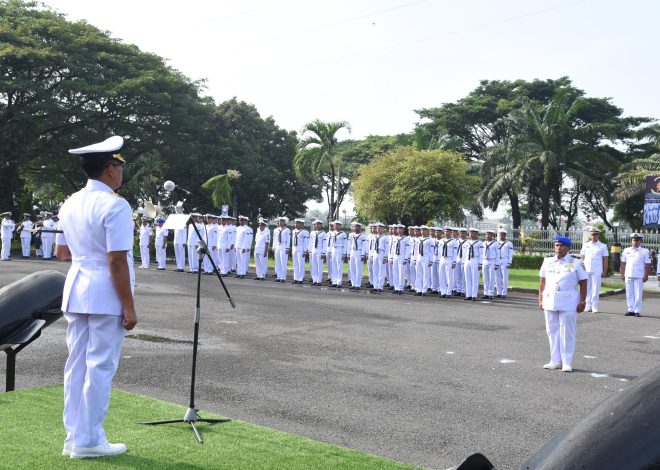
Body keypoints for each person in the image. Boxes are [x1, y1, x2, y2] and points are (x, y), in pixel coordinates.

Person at [55, 135, 136, 458]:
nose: (120, 171)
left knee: (76, 366)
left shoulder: (70, 201)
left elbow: (62, 252)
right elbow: (116, 260)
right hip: (105, 294)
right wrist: (129, 306)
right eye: (118, 165)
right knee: (100, 367)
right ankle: (90, 440)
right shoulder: (115, 205)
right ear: (109, 170)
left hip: (77, 289)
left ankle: (74, 437)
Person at [538, 236, 587, 372]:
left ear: (568, 247)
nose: (559, 248)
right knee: (552, 331)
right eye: (557, 245)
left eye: (562, 246)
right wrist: (540, 299)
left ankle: (567, 362)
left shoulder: (576, 263)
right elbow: (542, 281)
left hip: (569, 300)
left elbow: (583, 283)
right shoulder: (548, 261)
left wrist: (583, 301)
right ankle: (555, 360)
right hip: (550, 299)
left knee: (567, 332)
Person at [620, 233, 652, 317]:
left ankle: (637, 310)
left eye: (637, 240)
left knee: (638, 293)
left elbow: (648, 264)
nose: (635, 242)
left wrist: (646, 275)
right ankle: (630, 310)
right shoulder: (626, 250)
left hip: (639, 275)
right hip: (628, 275)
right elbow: (623, 263)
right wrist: (622, 274)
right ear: (631, 241)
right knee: (629, 293)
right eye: (634, 240)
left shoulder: (645, 251)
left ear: (640, 241)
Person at [579, 227, 609, 313]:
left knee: (596, 288)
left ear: (598, 235)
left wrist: (605, 271)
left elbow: (605, 259)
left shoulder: (603, 246)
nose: (593, 236)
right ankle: (588, 305)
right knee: (587, 288)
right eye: (592, 234)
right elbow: (582, 257)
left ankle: (594, 306)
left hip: (597, 270)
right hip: (586, 269)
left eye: (595, 234)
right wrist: (581, 269)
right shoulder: (586, 244)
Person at [436, 226, 457, 298]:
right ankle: (443, 292)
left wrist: (454, 262)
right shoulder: (441, 241)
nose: (446, 233)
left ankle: (449, 292)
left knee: (449, 277)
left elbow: (455, 252)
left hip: (449, 259)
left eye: (448, 231)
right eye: (445, 231)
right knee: (441, 276)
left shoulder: (454, 241)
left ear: (451, 233)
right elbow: (439, 251)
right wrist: (439, 260)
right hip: (442, 259)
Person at [463, 228, 483, 301]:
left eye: (474, 233)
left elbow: (481, 254)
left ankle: (474, 295)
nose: (472, 234)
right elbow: (464, 253)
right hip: (467, 260)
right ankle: (469, 295)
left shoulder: (480, 243)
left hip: (475, 260)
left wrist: (480, 264)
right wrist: (463, 262)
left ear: (477, 234)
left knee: (475, 278)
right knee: (467, 278)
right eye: (471, 233)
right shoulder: (467, 242)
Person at [369, 222, 389, 293]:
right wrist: (371, 256)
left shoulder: (385, 237)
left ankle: (380, 286)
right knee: (375, 270)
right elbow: (371, 247)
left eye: (380, 228)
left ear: (383, 229)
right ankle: (375, 286)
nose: (378, 229)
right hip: (375, 253)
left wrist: (385, 257)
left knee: (381, 271)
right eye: (377, 228)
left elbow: (387, 248)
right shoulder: (374, 237)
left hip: (381, 253)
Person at [414, 225, 434, 296]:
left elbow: (432, 252)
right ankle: (418, 289)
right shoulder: (418, 239)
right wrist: (415, 259)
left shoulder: (430, 240)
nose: (422, 231)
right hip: (419, 257)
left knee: (426, 274)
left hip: (426, 257)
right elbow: (415, 250)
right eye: (422, 230)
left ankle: (424, 290)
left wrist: (431, 260)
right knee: (418, 274)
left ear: (427, 231)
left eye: (424, 230)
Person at [347, 221, 367, 290]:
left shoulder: (363, 236)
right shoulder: (350, 235)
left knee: (359, 269)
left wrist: (362, 255)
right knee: (352, 268)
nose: (355, 228)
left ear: (360, 228)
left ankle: (358, 284)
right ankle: (353, 283)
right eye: (354, 226)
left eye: (357, 226)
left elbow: (364, 246)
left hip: (359, 252)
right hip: (352, 251)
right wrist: (348, 253)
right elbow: (349, 245)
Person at [494, 228, 513, 298]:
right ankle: (499, 292)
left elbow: (510, 254)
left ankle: (504, 293)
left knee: (505, 277)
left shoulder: (509, 243)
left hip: (505, 261)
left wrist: (509, 263)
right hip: (497, 260)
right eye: (500, 235)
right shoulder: (496, 243)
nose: (501, 236)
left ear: (505, 235)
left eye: (503, 235)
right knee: (497, 277)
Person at [291, 218, 309, 284]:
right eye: (295, 223)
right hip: (295, 249)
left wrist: (305, 251)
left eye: (297, 223)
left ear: (302, 224)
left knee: (301, 264)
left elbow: (306, 242)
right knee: (295, 264)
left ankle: (300, 279)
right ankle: (296, 278)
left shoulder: (305, 232)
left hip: (301, 249)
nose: (296, 224)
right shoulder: (293, 231)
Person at [308, 219, 326, 286]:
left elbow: (325, 244)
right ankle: (314, 280)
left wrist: (323, 253)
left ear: (321, 225)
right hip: (313, 250)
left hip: (320, 250)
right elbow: (310, 242)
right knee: (314, 266)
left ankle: (319, 281)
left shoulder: (323, 233)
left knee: (319, 266)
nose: (317, 225)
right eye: (316, 224)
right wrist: (309, 251)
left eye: (318, 224)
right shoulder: (312, 233)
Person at [272, 216, 290, 282]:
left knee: (283, 262)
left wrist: (287, 248)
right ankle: (279, 277)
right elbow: (274, 239)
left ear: (284, 222)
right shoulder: (276, 230)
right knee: (278, 262)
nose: (280, 222)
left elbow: (288, 240)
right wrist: (273, 247)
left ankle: (283, 277)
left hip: (283, 245)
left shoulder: (287, 230)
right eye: (279, 221)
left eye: (282, 221)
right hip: (277, 246)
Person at [481, 229, 498, 299]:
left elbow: (498, 254)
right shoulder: (483, 243)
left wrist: (497, 264)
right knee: (485, 278)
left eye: (490, 234)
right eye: (487, 234)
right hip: (484, 261)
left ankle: (491, 293)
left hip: (492, 261)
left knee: (492, 278)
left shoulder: (495, 244)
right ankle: (486, 293)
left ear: (492, 236)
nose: (488, 236)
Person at [453, 228, 469, 297]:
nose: (462, 234)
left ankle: (463, 290)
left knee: (463, 276)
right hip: (457, 258)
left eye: (463, 233)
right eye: (460, 233)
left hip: (464, 259)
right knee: (457, 275)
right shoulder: (456, 242)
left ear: (466, 234)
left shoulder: (468, 242)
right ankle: (458, 290)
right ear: (458, 234)